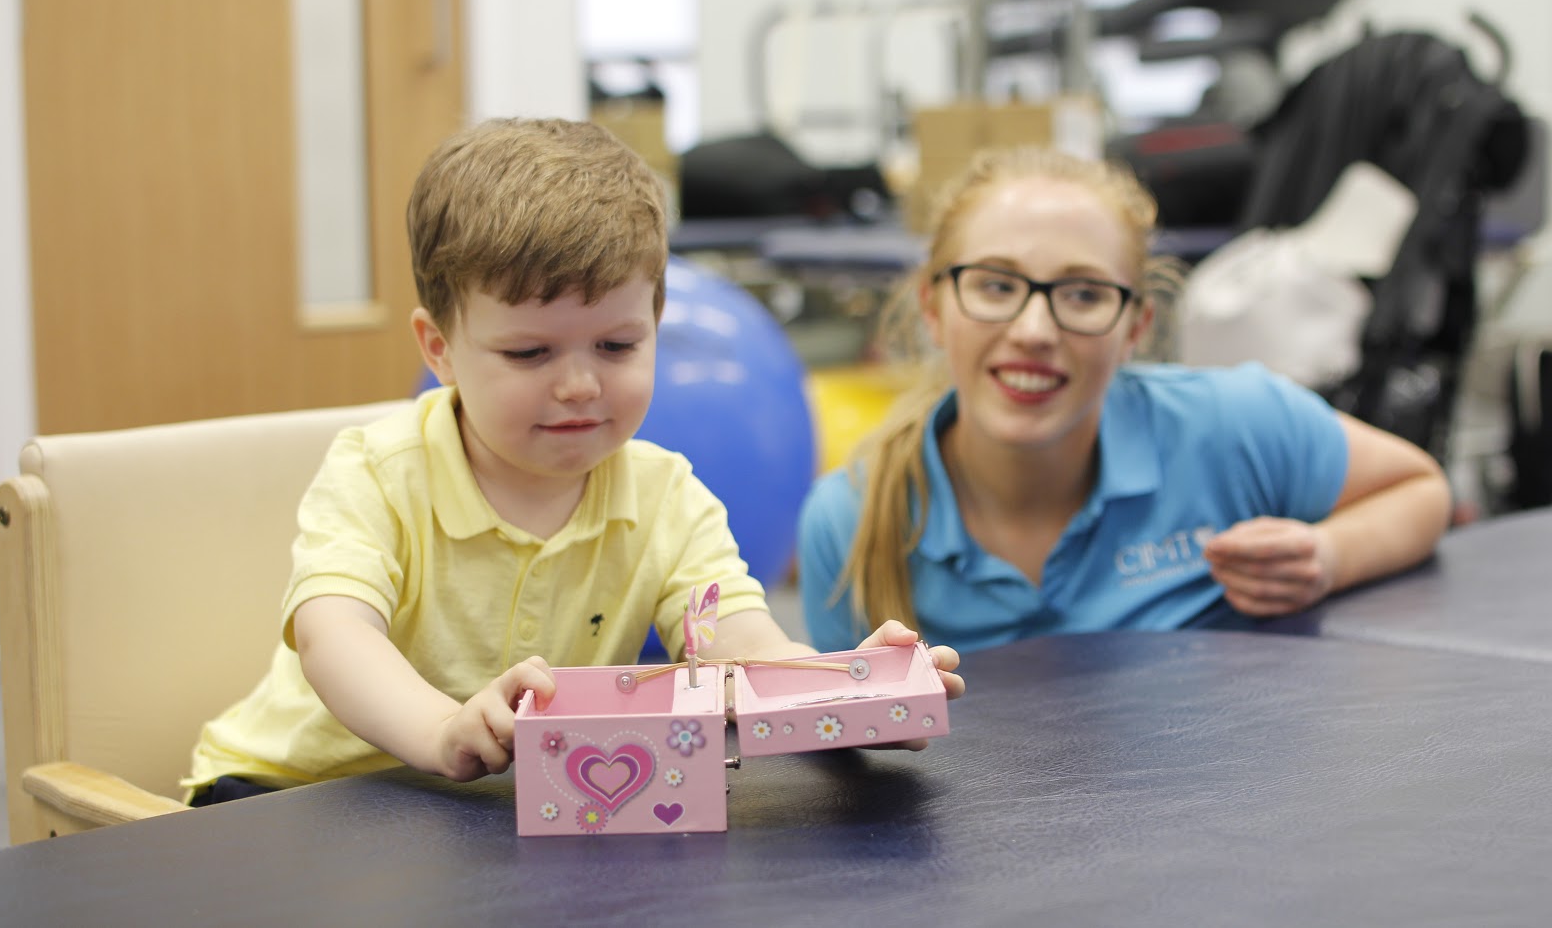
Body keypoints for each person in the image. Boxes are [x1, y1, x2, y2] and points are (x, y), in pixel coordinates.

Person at [183, 118, 963, 804]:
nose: (581, 384)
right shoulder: (379, 471)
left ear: (658, 321)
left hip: (489, 813)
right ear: (439, 347)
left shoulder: (667, 499)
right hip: (289, 795)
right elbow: (335, 634)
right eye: (530, 352)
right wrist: (442, 727)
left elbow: (739, 642)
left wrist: (842, 694)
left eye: (618, 345)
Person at [798, 145, 1452, 655]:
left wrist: (1328, 557)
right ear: (933, 308)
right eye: (996, 286)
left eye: (1083, 294)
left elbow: (1421, 487)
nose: (1034, 331)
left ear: (1135, 327)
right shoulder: (853, 524)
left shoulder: (1232, 425)